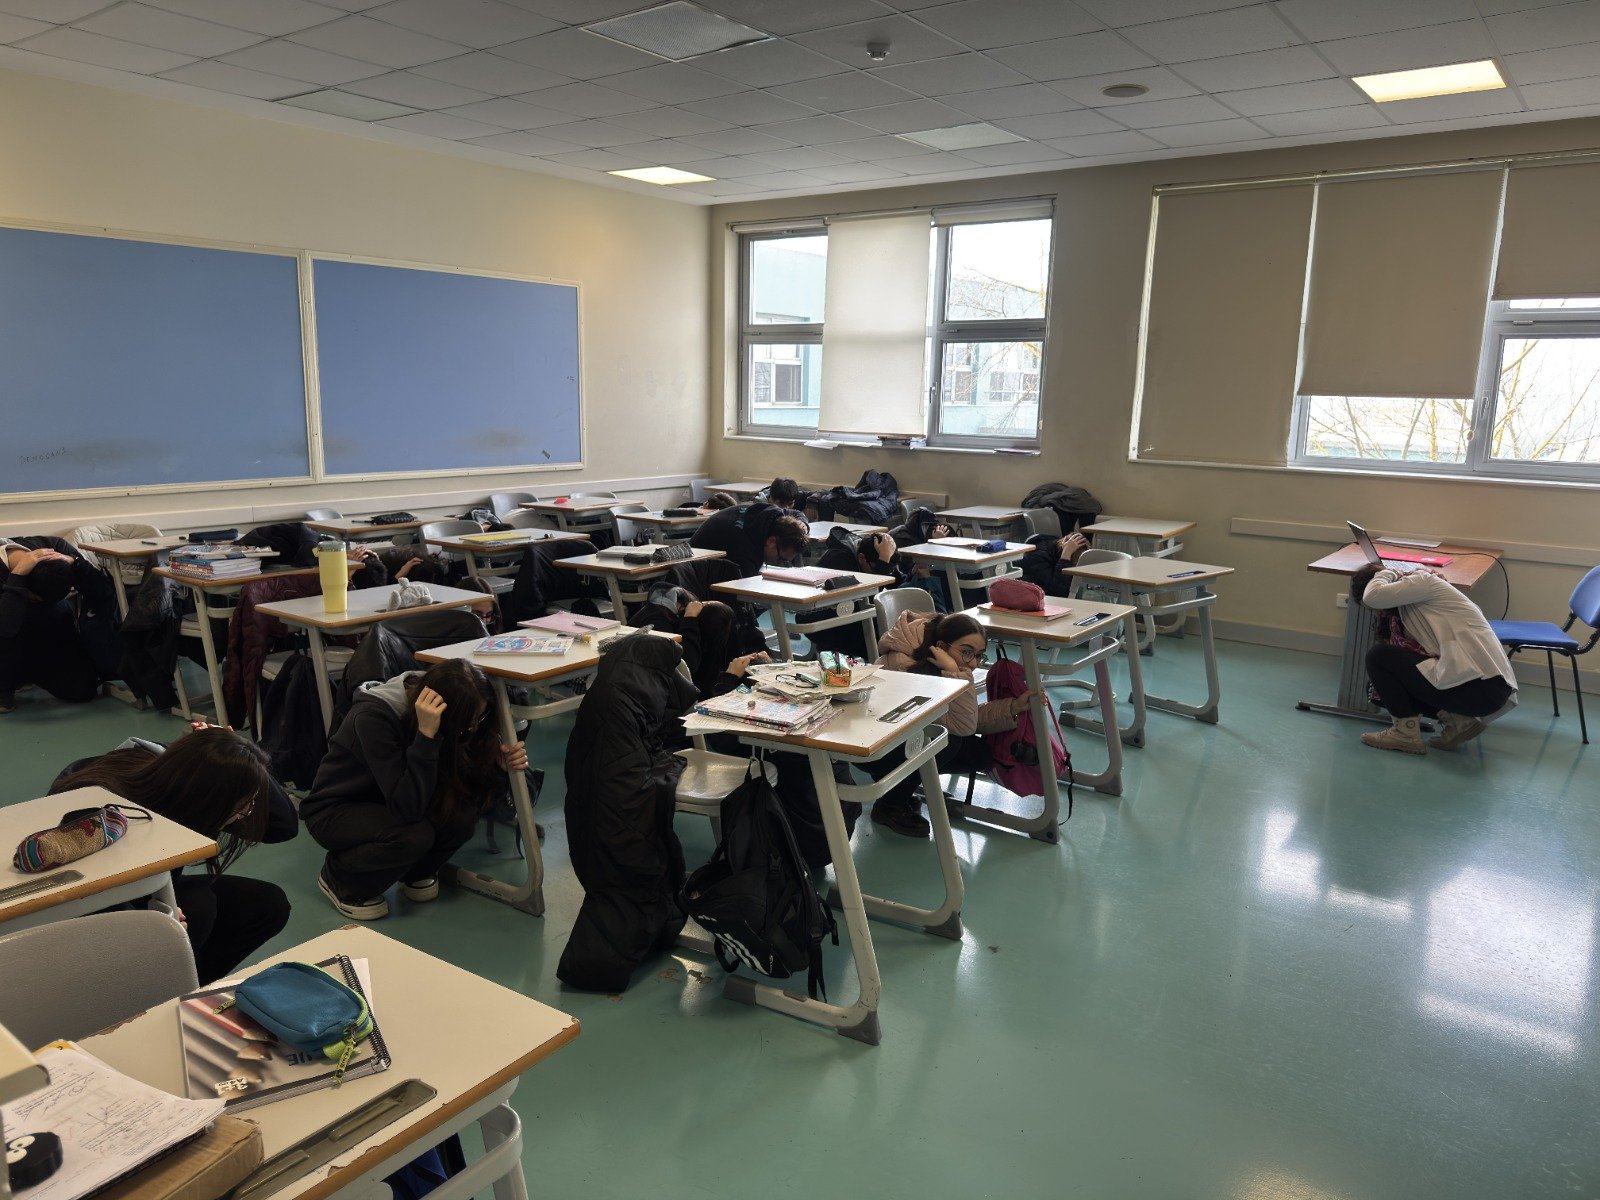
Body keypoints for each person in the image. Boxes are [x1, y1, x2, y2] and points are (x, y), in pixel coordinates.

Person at [49, 726, 293, 983]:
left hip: (145, 883)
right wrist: (148, 917)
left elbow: (283, 826)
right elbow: (82, 891)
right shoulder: (103, 808)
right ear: (211, 802)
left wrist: (244, 755)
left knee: (267, 904)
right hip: (86, 907)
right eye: (243, 807)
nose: (247, 813)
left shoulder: (188, 771)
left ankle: (187, 986)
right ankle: (154, 995)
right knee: (197, 910)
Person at [301, 658, 526, 919]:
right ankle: (341, 879)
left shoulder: (452, 705)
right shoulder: (373, 717)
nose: (473, 728)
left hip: (393, 799)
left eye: (478, 718)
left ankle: (415, 871)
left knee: (461, 817)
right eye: (467, 722)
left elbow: (470, 793)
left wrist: (499, 767)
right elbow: (406, 808)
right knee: (414, 835)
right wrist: (426, 737)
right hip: (336, 810)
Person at [865, 612, 1041, 838]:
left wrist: (1012, 707)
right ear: (940, 646)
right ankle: (890, 804)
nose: (973, 663)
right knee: (947, 741)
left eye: (978, 655)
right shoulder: (903, 665)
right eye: (966, 652)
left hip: (908, 737)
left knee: (978, 753)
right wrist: (956, 675)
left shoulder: (941, 662)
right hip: (876, 749)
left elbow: (962, 719)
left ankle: (902, 785)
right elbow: (962, 726)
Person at [1352, 562, 1518, 755]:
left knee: (1378, 656)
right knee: (1376, 689)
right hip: (1482, 686)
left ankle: (1404, 735)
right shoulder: (1411, 607)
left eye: (1373, 609)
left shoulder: (1423, 582)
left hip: (1483, 685)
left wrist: (1388, 571)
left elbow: (1373, 596)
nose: (1378, 612)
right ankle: (1459, 720)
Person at [0, 537, 117, 712]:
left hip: (49, 634)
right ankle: (7, 684)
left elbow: (104, 591)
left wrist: (74, 563)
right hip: (8, 641)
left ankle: (26, 674)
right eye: (36, 599)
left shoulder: (56, 547)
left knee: (82, 690)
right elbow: (5, 628)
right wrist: (16, 577)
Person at [689, 502, 809, 576]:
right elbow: (745, 594)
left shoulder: (771, 515)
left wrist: (802, 527)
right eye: (780, 559)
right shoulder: (743, 549)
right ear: (771, 541)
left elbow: (797, 513)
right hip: (695, 573)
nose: (778, 562)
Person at [1018, 531, 1091, 597]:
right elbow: (1058, 591)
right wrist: (1065, 557)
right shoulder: (1038, 556)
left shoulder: (1055, 549)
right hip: (1028, 595)